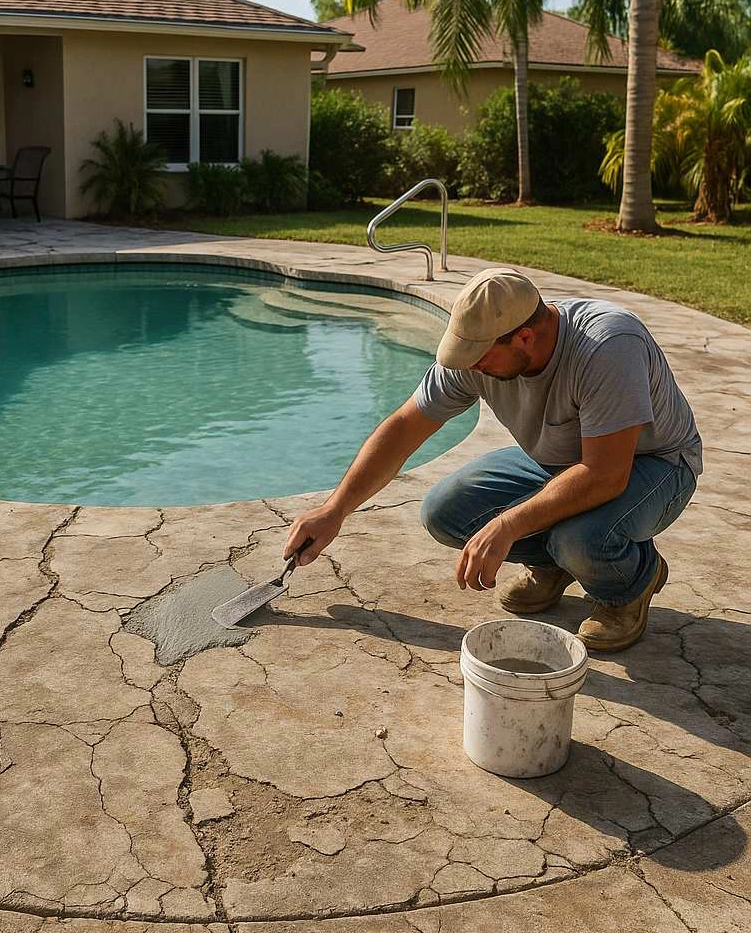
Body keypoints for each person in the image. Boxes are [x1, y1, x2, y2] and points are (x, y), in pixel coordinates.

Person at [284, 267, 702, 653]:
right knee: (444, 512)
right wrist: (334, 510)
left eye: (481, 357)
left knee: (577, 539)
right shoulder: (478, 350)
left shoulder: (608, 345)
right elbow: (404, 427)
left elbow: (606, 475)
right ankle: (551, 565)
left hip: (654, 464)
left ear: (523, 337)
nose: (472, 367)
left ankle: (632, 582)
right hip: (556, 460)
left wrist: (508, 524)